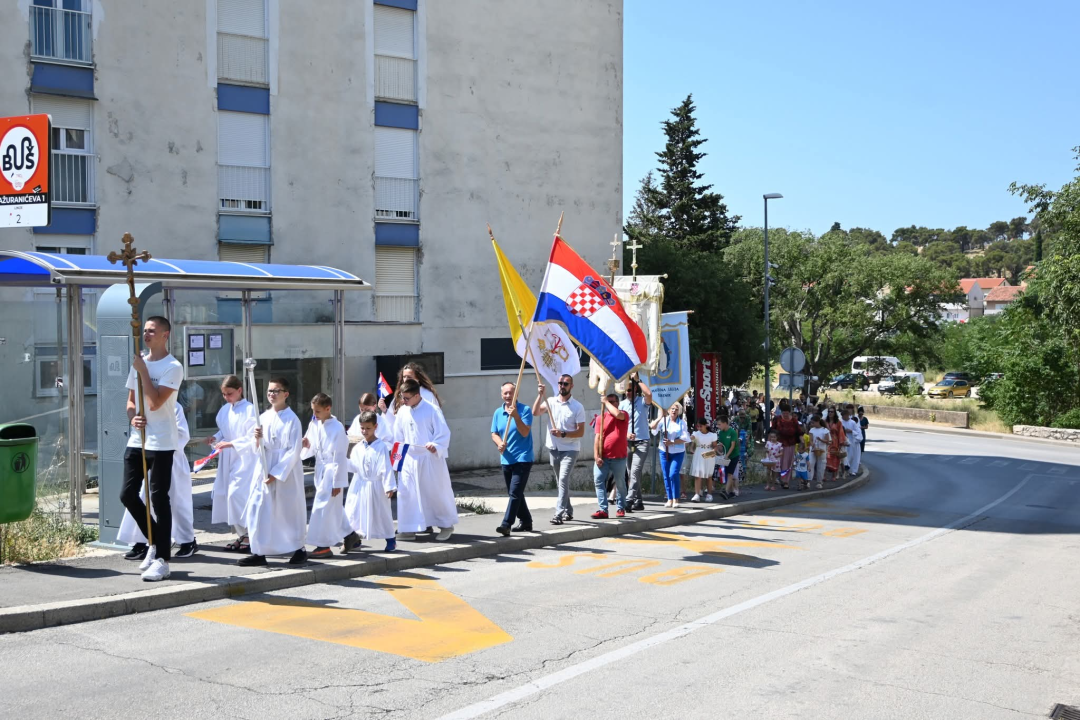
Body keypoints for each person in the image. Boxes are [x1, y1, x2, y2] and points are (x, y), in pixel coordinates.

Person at [121, 316, 184, 582]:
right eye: (144, 330)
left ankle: (163, 561)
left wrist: (143, 372)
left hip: (161, 441)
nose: (146, 334)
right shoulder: (139, 362)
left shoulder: (173, 367)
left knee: (159, 498)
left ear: (165, 335)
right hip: (138, 440)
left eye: (152, 331)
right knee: (127, 494)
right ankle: (156, 542)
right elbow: (131, 402)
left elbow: (156, 402)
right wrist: (133, 417)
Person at [241, 377, 308, 567]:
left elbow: (294, 450)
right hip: (265, 466)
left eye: (276, 391)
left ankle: (299, 549)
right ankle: (259, 550)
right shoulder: (263, 416)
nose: (272, 394)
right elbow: (259, 448)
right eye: (269, 391)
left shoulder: (292, 419)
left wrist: (276, 473)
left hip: (284, 471)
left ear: (285, 394)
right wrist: (257, 439)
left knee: (287, 511)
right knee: (259, 509)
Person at [119, 403, 197, 561]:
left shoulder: (174, 407)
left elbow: (182, 434)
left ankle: (187, 541)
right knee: (140, 499)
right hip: (146, 456)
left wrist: (162, 437)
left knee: (176, 502)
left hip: (171, 459)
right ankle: (143, 541)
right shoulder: (143, 404)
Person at [393, 379, 458, 541]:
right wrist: (397, 459)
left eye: (407, 398)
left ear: (417, 396)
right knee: (408, 494)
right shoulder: (402, 411)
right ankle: (408, 528)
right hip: (409, 459)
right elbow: (398, 437)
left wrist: (436, 445)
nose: (403, 401)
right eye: (402, 397)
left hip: (429, 459)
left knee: (435, 493)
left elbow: (443, 433)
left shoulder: (432, 410)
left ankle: (445, 525)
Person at [209, 375, 259, 553]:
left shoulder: (250, 410)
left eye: (229, 393)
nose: (226, 397)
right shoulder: (225, 410)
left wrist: (230, 444)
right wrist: (216, 438)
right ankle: (242, 534)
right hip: (228, 457)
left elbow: (252, 436)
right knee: (225, 494)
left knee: (238, 495)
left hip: (245, 459)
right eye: (223, 394)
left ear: (239, 390)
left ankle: (249, 534)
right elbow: (225, 431)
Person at [341, 410, 397, 553]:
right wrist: (343, 461)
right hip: (359, 484)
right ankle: (355, 540)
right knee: (355, 512)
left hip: (376, 485)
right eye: (362, 428)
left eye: (368, 428)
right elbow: (354, 466)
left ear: (375, 427)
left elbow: (386, 467)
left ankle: (390, 539)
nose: (365, 431)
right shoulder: (358, 447)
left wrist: (389, 486)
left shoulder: (381, 446)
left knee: (381, 512)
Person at [532, 375, 586, 525]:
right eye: (560, 383)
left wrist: (563, 434)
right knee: (561, 481)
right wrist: (540, 395)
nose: (562, 386)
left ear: (571, 386)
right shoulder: (550, 402)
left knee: (563, 479)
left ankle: (558, 514)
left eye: (566, 384)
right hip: (554, 448)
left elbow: (580, 432)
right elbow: (535, 412)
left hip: (570, 449)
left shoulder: (577, 407)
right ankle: (569, 510)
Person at [301, 393, 350, 558]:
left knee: (321, 508)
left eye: (318, 411)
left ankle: (323, 546)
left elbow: (340, 456)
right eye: (313, 411)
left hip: (332, 472)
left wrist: (338, 482)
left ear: (328, 408)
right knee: (333, 508)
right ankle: (351, 535)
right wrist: (305, 444)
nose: (314, 415)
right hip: (320, 469)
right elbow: (310, 445)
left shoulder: (337, 428)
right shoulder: (315, 423)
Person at [491, 382, 534, 535]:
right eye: (505, 393)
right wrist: (499, 443)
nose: (508, 396)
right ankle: (526, 521)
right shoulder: (498, 412)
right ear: (501, 394)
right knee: (515, 492)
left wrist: (516, 417)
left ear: (516, 394)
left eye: (511, 393)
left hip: (523, 457)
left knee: (514, 492)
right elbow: (494, 433)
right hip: (506, 458)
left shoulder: (525, 410)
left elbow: (524, 432)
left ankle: (506, 524)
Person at [591, 392, 629, 519]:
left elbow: (617, 414)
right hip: (604, 457)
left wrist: (606, 401)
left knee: (620, 483)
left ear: (618, 403)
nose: (610, 404)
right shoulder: (600, 418)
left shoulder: (624, 414)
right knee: (598, 480)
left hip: (619, 457)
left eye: (613, 402)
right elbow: (597, 437)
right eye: (609, 401)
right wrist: (596, 456)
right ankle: (603, 509)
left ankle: (621, 507)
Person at [621, 374, 653, 512]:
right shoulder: (622, 405)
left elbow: (649, 393)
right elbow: (620, 425)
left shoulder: (642, 402)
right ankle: (639, 501)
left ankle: (629, 500)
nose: (628, 393)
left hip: (642, 441)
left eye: (631, 390)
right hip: (628, 442)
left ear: (636, 390)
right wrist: (626, 434)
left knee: (635, 471)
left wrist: (638, 380)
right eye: (626, 391)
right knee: (631, 472)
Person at [382, 362, 444, 430]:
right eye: (404, 377)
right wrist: (385, 410)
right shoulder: (399, 396)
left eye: (409, 377)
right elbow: (395, 422)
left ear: (417, 379)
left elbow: (437, 422)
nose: (406, 379)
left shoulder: (428, 395)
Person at [651, 402, 690, 508]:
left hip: (677, 452)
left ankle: (676, 498)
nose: (674, 411)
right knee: (666, 475)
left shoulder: (682, 423)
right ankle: (669, 498)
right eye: (672, 408)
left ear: (679, 411)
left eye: (676, 409)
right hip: (664, 451)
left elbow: (685, 438)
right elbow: (652, 427)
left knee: (673, 474)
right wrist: (660, 417)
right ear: (668, 410)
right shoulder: (663, 421)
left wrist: (672, 442)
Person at [772, 401, 803, 491]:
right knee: (779, 462)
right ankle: (778, 478)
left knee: (788, 463)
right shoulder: (777, 419)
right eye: (783, 413)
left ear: (790, 412)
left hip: (790, 444)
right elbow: (772, 431)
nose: (785, 414)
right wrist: (770, 442)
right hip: (779, 444)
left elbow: (799, 432)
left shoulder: (794, 420)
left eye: (787, 413)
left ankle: (786, 481)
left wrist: (802, 442)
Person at [688, 417, 718, 503]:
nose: (699, 428)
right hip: (698, 453)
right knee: (698, 475)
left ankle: (709, 494)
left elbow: (715, 446)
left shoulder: (712, 435)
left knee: (709, 476)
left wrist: (713, 451)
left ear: (705, 425)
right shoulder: (696, 433)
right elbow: (692, 439)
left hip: (709, 453)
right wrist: (689, 443)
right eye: (698, 426)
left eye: (701, 426)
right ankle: (697, 494)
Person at [717, 415, 741, 499]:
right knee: (727, 473)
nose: (718, 426)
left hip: (734, 455)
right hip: (725, 456)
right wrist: (719, 451)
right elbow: (721, 445)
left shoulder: (732, 432)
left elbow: (733, 445)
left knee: (730, 473)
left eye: (719, 424)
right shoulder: (720, 433)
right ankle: (730, 491)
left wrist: (727, 456)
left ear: (725, 423)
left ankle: (726, 491)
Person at [808, 416, 831, 489]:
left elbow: (829, 441)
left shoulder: (825, 430)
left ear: (818, 422)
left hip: (822, 449)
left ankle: (819, 481)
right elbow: (810, 439)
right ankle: (808, 480)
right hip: (813, 449)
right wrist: (813, 445)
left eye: (813, 422)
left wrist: (821, 440)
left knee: (821, 465)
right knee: (810, 463)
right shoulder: (812, 430)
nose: (812, 424)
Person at [824, 408, 847, 483]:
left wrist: (841, 442)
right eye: (829, 412)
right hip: (826, 441)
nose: (830, 413)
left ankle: (834, 475)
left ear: (834, 413)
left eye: (832, 412)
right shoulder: (825, 421)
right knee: (825, 458)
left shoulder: (838, 422)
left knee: (834, 457)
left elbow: (841, 432)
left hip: (835, 441)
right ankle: (824, 475)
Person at [842, 408, 863, 477]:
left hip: (852, 441)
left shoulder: (852, 423)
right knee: (845, 456)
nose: (843, 417)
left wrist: (851, 431)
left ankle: (853, 470)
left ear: (848, 415)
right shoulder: (841, 422)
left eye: (844, 415)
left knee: (853, 456)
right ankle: (845, 470)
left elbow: (857, 432)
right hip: (844, 441)